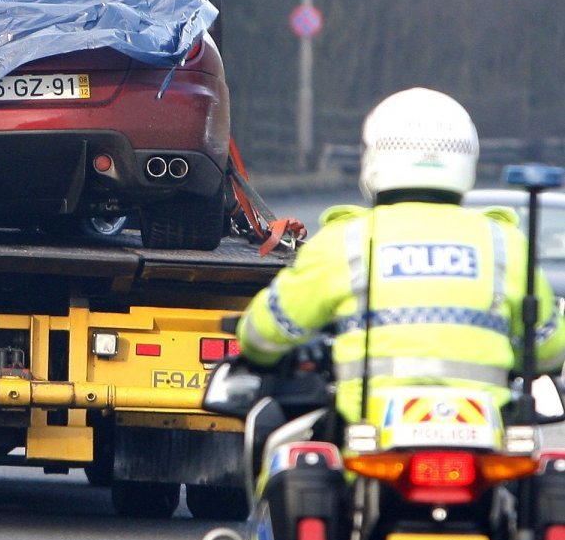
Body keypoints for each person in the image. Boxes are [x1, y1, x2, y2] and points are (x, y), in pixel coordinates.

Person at [235, 87, 565, 425]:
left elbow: (264, 334)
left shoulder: (343, 240)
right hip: (483, 431)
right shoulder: (503, 242)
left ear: (373, 155)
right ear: (468, 158)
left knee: (288, 455)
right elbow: (550, 350)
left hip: (368, 432)